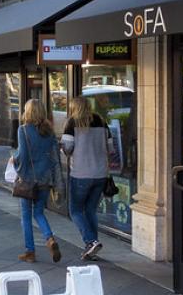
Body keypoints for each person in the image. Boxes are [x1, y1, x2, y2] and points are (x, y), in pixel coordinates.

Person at [62, 96, 114, 261]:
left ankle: (91, 241)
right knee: (90, 210)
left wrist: (62, 148)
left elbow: (67, 148)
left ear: (75, 108)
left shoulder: (72, 123)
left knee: (75, 210)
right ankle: (92, 247)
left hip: (80, 173)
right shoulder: (101, 121)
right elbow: (111, 148)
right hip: (100, 174)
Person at [13, 99, 62, 263]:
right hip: (45, 180)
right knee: (39, 213)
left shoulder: (23, 130)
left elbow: (23, 156)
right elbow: (55, 159)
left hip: (28, 180)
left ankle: (30, 251)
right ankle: (50, 239)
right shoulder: (49, 132)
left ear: (28, 112)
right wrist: (56, 181)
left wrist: (15, 161)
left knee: (26, 216)